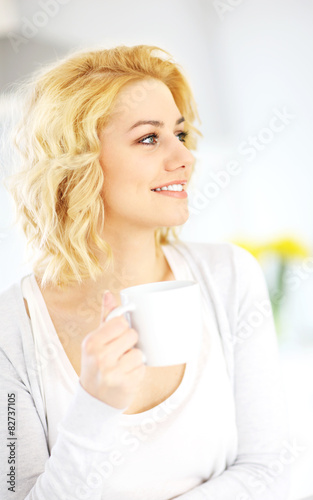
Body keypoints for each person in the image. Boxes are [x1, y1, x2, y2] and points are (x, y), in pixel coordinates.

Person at [0, 44, 290, 499]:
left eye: (181, 134)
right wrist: (93, 408)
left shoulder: (229, 277)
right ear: (79, 163)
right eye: (149, 138)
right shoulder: (13, 329)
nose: (186, 157)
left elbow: (266, 467)